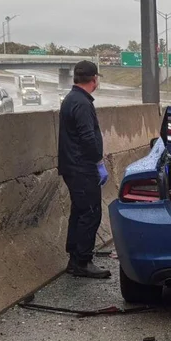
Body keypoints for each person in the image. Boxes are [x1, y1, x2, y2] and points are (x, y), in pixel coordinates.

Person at [58, 60, 110, 279]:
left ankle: (74, 258)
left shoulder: (72, 99)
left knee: (79, 212)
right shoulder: (82, 103)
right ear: (94, 79)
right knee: (90, 212)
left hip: (72, 165)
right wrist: (98, 162)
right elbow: (87, 136)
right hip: (82, 167)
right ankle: (83, 261)